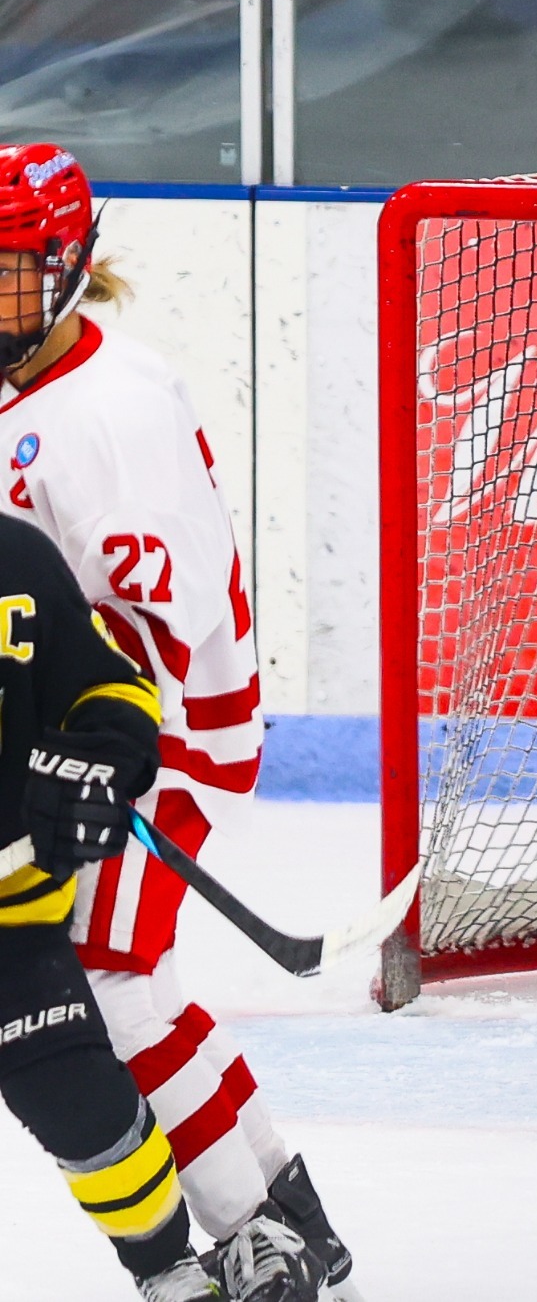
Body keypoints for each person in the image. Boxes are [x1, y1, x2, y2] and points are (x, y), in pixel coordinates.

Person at [0, 144, 355, 1300]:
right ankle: (286, 1216)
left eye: (10, 274)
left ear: (66, 270)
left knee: (106, 976)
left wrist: (110, 749)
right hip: (96, 719)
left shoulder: (108, 416)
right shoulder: (33, 389)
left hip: (165, 732)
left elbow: (179, 620)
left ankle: (260, 1230)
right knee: (122, 974)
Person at [0, 508, 221, 1299]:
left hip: (11, 924)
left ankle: (171, 1270)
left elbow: (110, 685)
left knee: (89, 1113)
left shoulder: (15, 555)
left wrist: (97, 758)